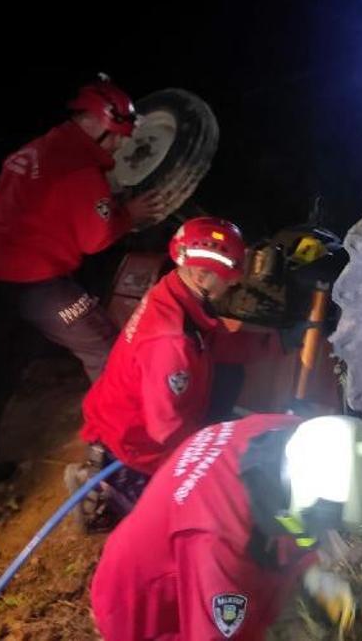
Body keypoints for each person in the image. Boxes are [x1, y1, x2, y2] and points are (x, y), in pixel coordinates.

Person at [0, 76, 164, 492]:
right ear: (101, 127)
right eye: (118, 139)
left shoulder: (33, 150)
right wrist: (129, 215)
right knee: (105, 346)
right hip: (37, 284)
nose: (120, 148)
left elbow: (9, 200)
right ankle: (117, 453)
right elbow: (96, 238)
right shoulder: (81, 172)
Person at [90, 413, 362, 640]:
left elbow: (294, 519)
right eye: (332, 522)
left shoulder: (288, 435)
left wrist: (311, 571)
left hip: (174, 549)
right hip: (141, 608)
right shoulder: (217, 541)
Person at [67, 217, 275, 529]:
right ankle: (102, 488)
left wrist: (272, 345)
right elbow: (167, 431)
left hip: (137, 414)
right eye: (228, 276)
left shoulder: (177, 292)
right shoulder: (171, 343)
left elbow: (214, 342)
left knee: (230, 377)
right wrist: (215, 459)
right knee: (195, 516)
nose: (234, 282)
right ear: (202, 274)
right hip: (136, 443)